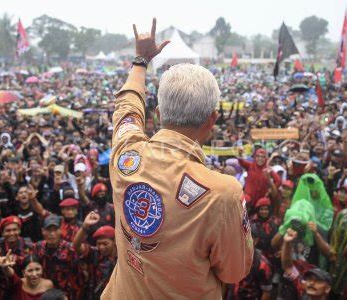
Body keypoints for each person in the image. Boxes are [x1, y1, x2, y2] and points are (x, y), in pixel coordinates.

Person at [101, 19, 253, 299]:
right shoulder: (223, 192)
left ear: (158, 114)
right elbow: (234, 271)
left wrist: (140, 61)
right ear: (213, 120)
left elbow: (127, 108)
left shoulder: (126, 156)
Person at [32, 215, 81, 300]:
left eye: (55, 230)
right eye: (48, 230)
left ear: (61, 230)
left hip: (66, 294)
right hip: (45, 294)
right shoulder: (37, 247)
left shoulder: (70, 249)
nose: (52, 234)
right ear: (43, 231)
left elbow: (78, 275)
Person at [73, 211, 117, 300]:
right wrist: (85, 226)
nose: (101, 247)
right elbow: (76, 246)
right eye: (99, 244)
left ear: (114, 242)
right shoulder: (94, 253)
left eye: (105, 244)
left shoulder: (122, 257)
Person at [281, 228, 332, 300]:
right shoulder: (302, 289)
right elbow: (288, 267)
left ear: (327, 288)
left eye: (318, 281)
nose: (311, 283)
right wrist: (287, 243)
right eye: (309, 279)